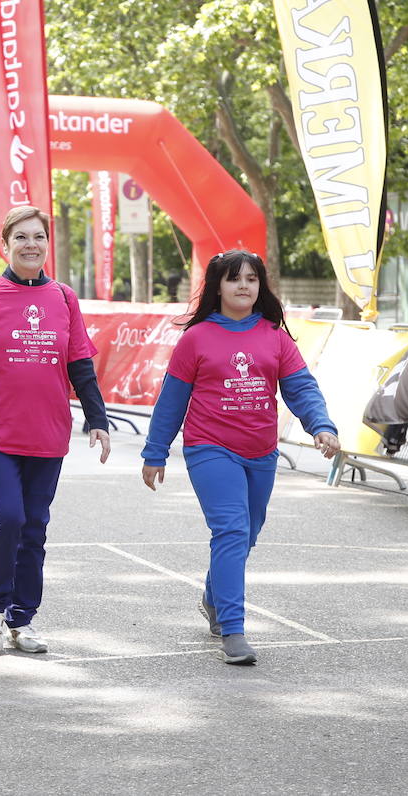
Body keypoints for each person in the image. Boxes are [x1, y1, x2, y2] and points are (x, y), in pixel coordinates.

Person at [140, 250, 341, 666]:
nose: (244, 286)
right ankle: (233, 630)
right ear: (218, 287)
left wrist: (321, 426)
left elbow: (301, 388)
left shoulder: (275, 336)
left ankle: (214, 598)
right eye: (234, 279)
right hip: (209, 447)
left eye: (251, 278)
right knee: (231, 530)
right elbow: (172, 401)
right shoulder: (196, 338)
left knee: (247, 533)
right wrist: (155, 452)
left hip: (261, 452)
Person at [0, 206, 111, 656]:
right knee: (10, 519)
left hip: (49, 436)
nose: (31, 245)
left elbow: (80, 365)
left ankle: (23, 620)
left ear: (47, 243)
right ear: (5, 244)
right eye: (21, 237)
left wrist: (97, 419)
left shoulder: (63, 298)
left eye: (38, 236)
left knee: (35, 527)